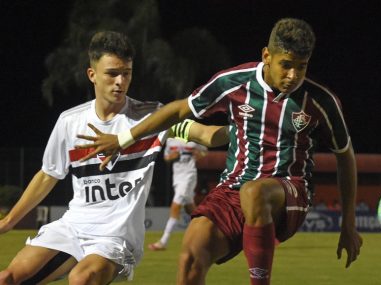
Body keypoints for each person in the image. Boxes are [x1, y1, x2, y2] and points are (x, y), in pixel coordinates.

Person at [77, 18, 363, 285]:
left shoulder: (320, 102)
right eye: (286, 65)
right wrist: (122, 139)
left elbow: (345, 156)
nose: (293, 75)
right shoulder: (233, 82)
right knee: (191, 258)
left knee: (255, 192)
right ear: (267, 56)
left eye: (301, 66)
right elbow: (178, 109)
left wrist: (348, 223)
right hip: (232, 190)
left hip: (290, 191)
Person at [0, 31, 225, 285]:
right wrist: (8, 221)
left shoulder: (151, 118)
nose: (120, 81)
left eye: (126, 73)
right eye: (111, 73)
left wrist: (243, 129)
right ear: (92, 75)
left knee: (81, 278)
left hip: (116, 237)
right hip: (73, 227)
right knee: (8, 277)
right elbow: (47, 175)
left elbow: (205, 135)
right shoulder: (70, 122)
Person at [148, 137, 208, 251]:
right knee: (190, 208)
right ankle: (205, 233)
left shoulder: (193, 138)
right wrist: (172, 157)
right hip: (177, 177)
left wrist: (199, 154)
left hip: (189, 175)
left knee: (175, 206)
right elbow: (166, 158)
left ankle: (163, 241)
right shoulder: (171, 140)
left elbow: (205, 151)